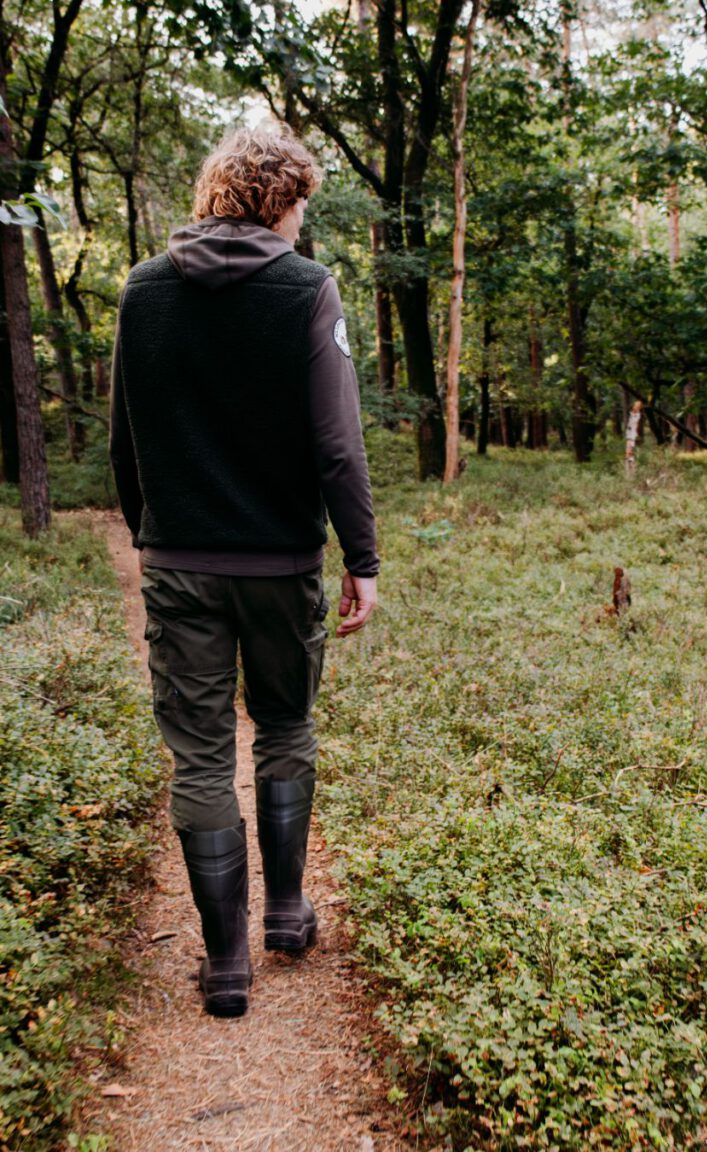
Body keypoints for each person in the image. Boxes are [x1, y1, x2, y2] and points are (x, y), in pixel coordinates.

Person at [109, 126, 379, 1018]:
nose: (302, 224)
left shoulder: (143, 291)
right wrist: (361, 558)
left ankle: (226, 966)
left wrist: (155, 535)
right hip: (282, 564)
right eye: (300, 205)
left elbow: (124, 442)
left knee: (199, 756)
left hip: (179, 561)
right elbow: (338, 446)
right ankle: (287, 912)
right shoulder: (307, 289)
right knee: (286, 725)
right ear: (279, 201)